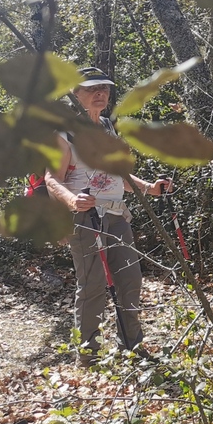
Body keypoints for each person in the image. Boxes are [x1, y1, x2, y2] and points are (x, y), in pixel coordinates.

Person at [44, 67, 170, 366]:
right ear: (75, 94)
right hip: (85, 218)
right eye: (91, 89)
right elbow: (51, 178)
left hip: (116, 215)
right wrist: (74, 200)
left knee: (130, 280)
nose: (100, 93)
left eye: (104, 88)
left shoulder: (107, 128)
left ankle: (132, 347)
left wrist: (148, 188)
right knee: (93, 285)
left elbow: (118, 175)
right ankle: (88, 356)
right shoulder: (63, 133)